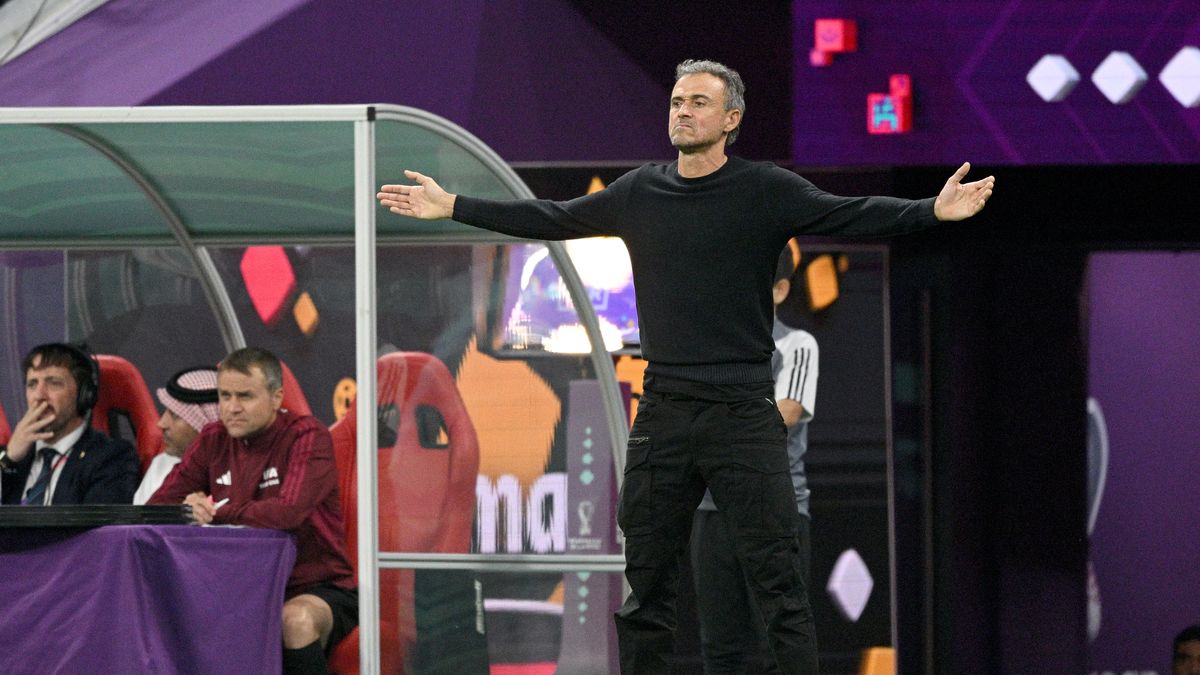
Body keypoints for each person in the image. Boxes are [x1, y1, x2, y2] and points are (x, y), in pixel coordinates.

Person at [378, 58, 994, 674]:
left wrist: (931, 212)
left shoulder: (766, 189)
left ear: (731, 119)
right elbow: (553, 218)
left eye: (698, 102)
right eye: (676, 101)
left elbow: (850, 212)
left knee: (780, 588)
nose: (682, 111)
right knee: (647, 588)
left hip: (742, 411)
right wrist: (452, 205)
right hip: (666, 407)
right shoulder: (640, 191)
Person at [149, 347, 357, 675]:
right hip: (238, 587)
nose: (232, 408)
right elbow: (157, 507)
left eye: (245, 396)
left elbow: (287, 512)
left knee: (294, 621)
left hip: (312, 587)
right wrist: (188, 509)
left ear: (276, 398)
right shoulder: (213, 438)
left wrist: (216, 511)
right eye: (225, 395)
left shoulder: (307, 436)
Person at [690, 246, 817, 673]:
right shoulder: (704, 349)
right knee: (720, 650)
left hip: (776, 511)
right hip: (712, 510)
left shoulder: (797, 346)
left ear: (780, 290)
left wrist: (715, 418)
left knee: (781, 648)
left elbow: (784, 415)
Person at [0, 343, 139, 505]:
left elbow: (97, 528)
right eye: (32, 384)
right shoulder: (11, 458)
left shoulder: (112, 458)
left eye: (53, 383)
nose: (39, 395)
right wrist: (8, 459)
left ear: (83, 394)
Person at [132, 366, 220, 505]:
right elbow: (141, 523)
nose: (161, 424)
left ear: (207, 422)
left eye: (176, 415)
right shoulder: (161, 464)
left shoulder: (240, 469)